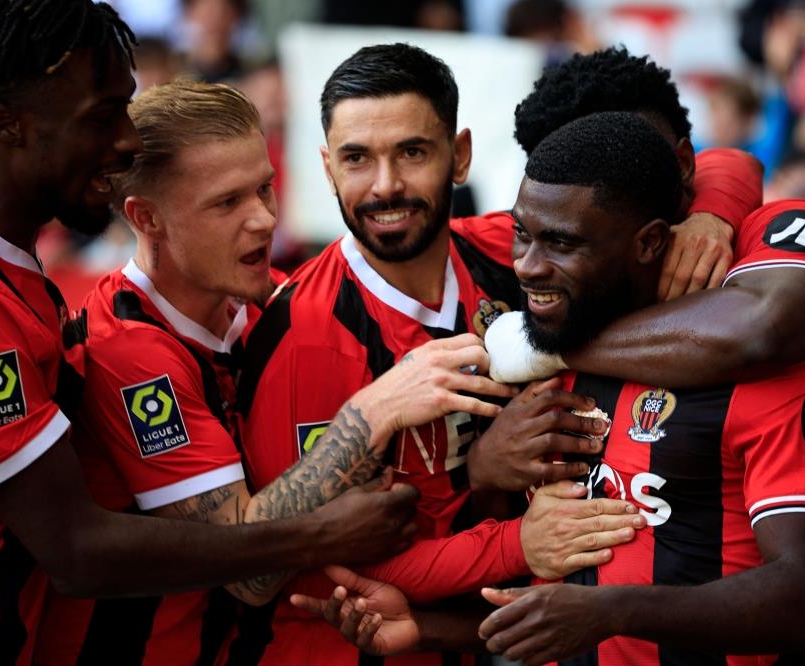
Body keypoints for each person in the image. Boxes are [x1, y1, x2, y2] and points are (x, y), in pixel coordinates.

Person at [0, 3, 481, 662]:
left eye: (264, 190)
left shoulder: (270, 304)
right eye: (226, 203)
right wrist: (347, 471)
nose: (263, 220)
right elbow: (82, 550)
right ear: (147, 219)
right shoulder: (89, 335)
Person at [239, 43, 762, 664]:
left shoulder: (513, 249)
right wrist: (515, 536)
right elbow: (317, 567)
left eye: (412, 152)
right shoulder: (298, 335)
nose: (385, 185)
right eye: (357, 158)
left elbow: (726, 163)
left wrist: (710, 218)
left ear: (459, 155)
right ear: (327, 168)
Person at [293, 111, 805, 665]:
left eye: (561, 243)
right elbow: (558, 606)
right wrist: (426, 629)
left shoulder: (763, 378)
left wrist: (615, 611)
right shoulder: (542, 379)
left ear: (648, 243)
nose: (527, 266)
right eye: (522, 235)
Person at [483, 46, 805, 665]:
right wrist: (485, 467)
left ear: (677, 168)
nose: (532, 262)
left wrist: (544, 348)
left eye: (619, 157)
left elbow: (763, 328)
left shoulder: (772, 255)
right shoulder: (555, 268)